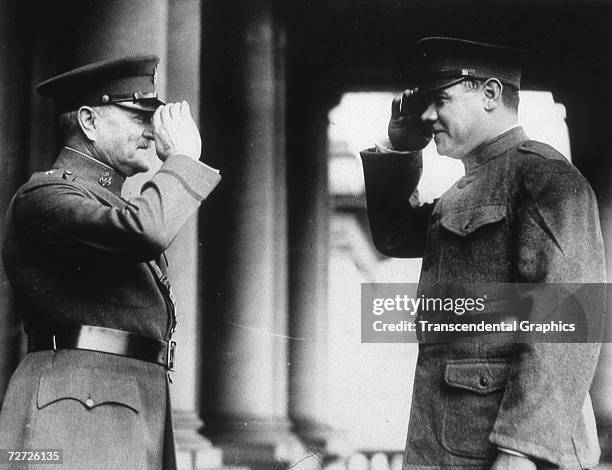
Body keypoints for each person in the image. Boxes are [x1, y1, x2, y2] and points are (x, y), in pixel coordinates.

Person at [361, 37, 606, 470]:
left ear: (491, 94)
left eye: (440, 99)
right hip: (454, 442)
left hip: (507, 451)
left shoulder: (546, 179)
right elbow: (395, 235)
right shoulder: (467, 189)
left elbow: (571, 318)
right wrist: (401, 147)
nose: (428, 116)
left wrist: (521, 448)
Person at [0, 56, 221, 469]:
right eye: (138, 115)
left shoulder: (110, 204)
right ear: (88, 121)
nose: (150, 131)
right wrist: (183, 162)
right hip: (77, 408)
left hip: (118, 404)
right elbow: (145, 231)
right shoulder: (45, 198)